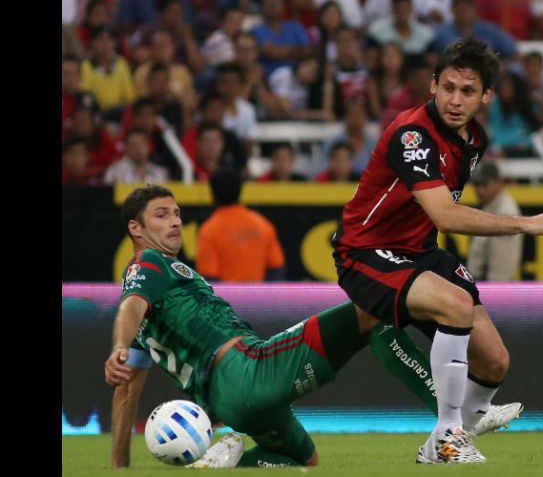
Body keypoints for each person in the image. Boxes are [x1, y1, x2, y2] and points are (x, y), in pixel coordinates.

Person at [105, 184, 521, 469]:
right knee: (375, 307)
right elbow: (130, 305)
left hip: (231, 406)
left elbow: (127, 389)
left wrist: (118, 466)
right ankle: (455, 423)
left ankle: (224, 462)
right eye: (162, 215)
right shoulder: (147, 265)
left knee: (303, 460)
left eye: (177, 213)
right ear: (135, 229)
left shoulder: (148, 310)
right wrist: (117, 345)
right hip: (246, 368)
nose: (175, 221)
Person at [332, 37, 543, 464]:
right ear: (432, 86)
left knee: (495, 362)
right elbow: (445, 214)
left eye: (467, 91)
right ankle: (448, 436)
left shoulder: (474, 140)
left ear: (486, 96)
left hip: (419, 251)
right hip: (367, 251)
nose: (455, 100)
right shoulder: (412, 136)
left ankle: (449, 434)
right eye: (448, 87)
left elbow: (437, 219)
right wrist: (527, 223)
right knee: (456, 304)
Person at [197, 168, 286, 281]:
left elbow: (208, 279)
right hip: (258, 297)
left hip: (227, 297)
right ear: (240, 191)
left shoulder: (209, 231)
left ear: (212, 194)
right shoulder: (262, 224)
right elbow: (277, 270)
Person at [466, 162, 523, 281]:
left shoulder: (505, 212)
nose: (479, 190)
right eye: (476, 184)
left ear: (499, 183)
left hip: (492, 287)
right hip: (481, 283)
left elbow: (502, 260)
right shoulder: (490, 205)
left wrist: (494, 291)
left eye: (484, 184)